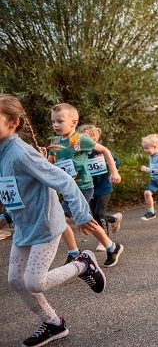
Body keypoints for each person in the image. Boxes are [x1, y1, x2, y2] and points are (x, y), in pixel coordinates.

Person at [0, 94, 106, 347]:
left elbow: (64, 181)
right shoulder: (2, 153)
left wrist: (81, 214)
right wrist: (6, 217)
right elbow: (14, 191)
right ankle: (54, 324)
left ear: (13, 122)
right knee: (15, 281)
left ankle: (82, 264)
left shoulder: (20, 154)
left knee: (34, 282)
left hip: (45, 225)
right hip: (25, 226)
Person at [46, 103, 124, 267]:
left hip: (83, 187)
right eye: (53, 121)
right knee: (83, 220)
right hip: (67, 189)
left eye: (60, 121)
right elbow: (50, 165)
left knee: (60, 218)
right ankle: (111, 246)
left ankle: (74, 253)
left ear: (74, 122)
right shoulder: (54, 142)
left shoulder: (79, 140)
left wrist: (114, 171)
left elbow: (105, 150)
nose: (55, 125)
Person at [78, 124, 123, 250]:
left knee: (99, 213)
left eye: (86, 139)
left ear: (94, 139)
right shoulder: (80, 154)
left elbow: (115, 162)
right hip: (90, 187)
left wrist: (114, 172)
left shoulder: (101, 151)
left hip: (104, 186)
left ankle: (105, 241)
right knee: (96, 215)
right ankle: (114, 218)